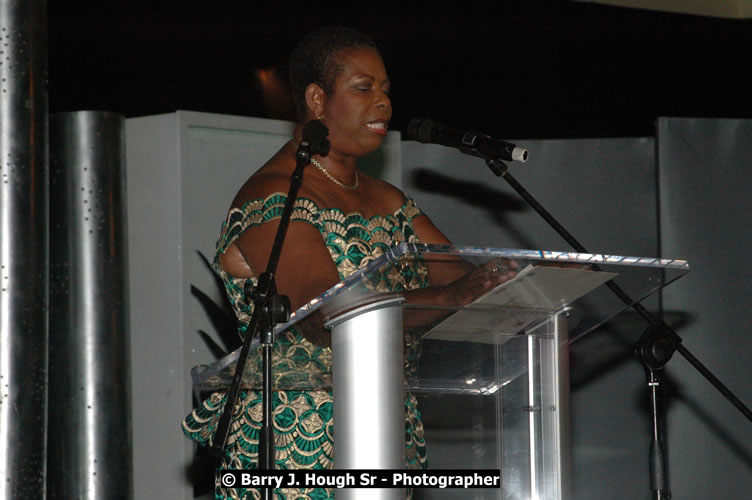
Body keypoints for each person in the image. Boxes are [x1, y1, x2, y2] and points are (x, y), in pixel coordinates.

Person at [182, 26, 516, 499]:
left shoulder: (390, 202)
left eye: (385, 91)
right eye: (364, 89)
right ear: (317, 100)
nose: (383, 104)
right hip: (299, 446)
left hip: (387, 432)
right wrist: (451, 295)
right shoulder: (274, 196)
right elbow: (325, 314)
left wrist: (519, 286)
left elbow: (464, 280)